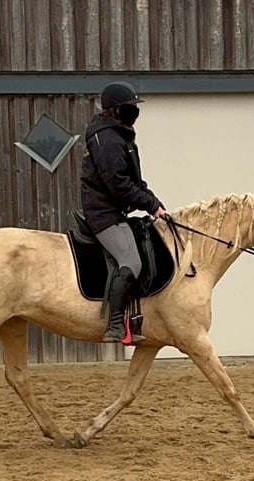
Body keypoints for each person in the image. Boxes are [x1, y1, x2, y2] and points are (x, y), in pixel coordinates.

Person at [80, 81, 167, 343]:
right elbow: (118, 185)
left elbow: (135, 182)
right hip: (104, 214)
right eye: (129, 107)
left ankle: (135, 320)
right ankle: (115, 325)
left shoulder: (121, 137)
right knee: (132, 262)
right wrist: (149, 205)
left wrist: (156, 204)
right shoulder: (106, 139)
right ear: (115, 111)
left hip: (116, 212)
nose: (134, 112)